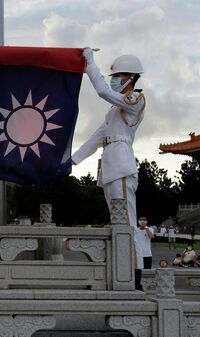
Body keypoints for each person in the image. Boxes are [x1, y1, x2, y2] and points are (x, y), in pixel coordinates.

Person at [71, 49, 146, 230]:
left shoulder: (136, 99)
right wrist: (73, 160)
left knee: (126, 225)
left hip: (121, 166)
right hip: (111, 165)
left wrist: (90, 65)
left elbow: (103, 91)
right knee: (117, 223)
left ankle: (131, 259)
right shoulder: (114, 109)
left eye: (118, 75)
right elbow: (97, 137)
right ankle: (123, 258)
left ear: (131, 77)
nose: (114, 79)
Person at [133, 216, 154, 290]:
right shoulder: (135, 229)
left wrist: (146, 228)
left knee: (147, 273)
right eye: (141, 220)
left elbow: (151, 236)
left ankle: (147, 288)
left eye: (144, 220)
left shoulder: (150, 229)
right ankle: (138, 286)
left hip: (147, 254)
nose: (142, 221)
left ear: (147, 221)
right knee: (138, 272)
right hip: (138, 254)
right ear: (138, 221)